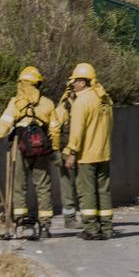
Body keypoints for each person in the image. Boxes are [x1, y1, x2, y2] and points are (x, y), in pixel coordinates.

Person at [0, 65, 59, 239]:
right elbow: (55, 129)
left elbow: (4, 124)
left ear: (21, 83)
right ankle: (45, 227)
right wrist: (54, 149)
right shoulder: (47, 103)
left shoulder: (15, 102)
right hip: (41, 149)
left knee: (18, 185)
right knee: (43, 186)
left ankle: (20, 222)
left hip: (20, 146)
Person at [63, 62, 115, 240]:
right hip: (104, 153)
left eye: (75, 81)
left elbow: (77, 130)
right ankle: (107, 228)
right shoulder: (105, 99)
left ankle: (91, 229)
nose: (73, 84)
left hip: (86, 155)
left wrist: (71, 152)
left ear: (83, 82)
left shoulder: (82, 101)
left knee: (87, 192)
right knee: (104, 191)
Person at [52, 78, 81, 228]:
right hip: (66, 152)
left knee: (82, 186)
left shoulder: (82, 106)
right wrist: (56, 151)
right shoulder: (63, 109)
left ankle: (86, 217)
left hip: (81, 153)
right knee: (68, 187)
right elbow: (55, 130)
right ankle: (69, 219)